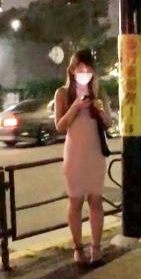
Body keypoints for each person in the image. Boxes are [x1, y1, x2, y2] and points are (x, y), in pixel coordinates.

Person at [54, 49, 112, 267]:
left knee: (95, 200)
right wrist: (76, 106)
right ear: (72, 70)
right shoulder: (62, 93)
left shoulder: (99, 92)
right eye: (80, 67)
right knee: (75, 201)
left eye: (88, 67)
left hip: (95, 153)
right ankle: (78, 248)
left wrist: (99, 110)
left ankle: (96, 247)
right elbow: (60, 126)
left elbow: (109, 123)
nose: (84, 70)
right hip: (74, 154)